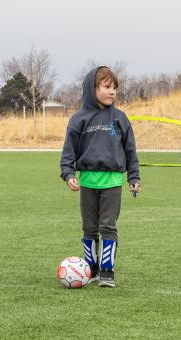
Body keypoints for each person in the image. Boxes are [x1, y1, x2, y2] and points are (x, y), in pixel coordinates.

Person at [60, 66, 141, 287]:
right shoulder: (78, 119)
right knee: (89, 227)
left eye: (114, 87)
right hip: (87, 182)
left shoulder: (120, 118)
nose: (112, 91)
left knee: (108, 226)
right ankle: (90, 268)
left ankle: (107, 271)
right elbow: (68, 152)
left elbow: (130, 150)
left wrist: (134, 177)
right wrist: (68, 174)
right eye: (106, 87)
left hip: (112, 182)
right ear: (92, 88)